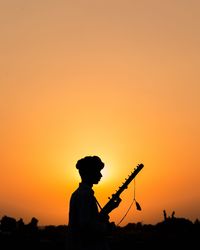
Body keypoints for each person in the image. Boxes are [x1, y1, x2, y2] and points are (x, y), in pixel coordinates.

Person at [67, 155, 121, 250]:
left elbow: (92, 219)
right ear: (89, 173)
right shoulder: (84, 195)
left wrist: (109, 209)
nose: (101, 175)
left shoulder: (82, 193)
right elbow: (86, 227)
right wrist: (107, 228)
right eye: (98, 171)